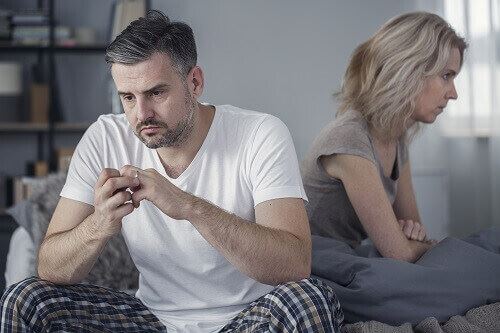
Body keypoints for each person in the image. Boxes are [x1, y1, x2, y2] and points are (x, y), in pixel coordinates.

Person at [0, 10, 343, 333]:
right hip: (151, 319)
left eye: (156, 92)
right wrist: (100, 223)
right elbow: (50, 267)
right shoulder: (105, 137)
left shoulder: (261, 134)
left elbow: (295, 264)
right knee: (26, 300)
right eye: (128, 98)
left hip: (248, 318)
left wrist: (189, 207)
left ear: (194, 83)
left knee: (309, 300)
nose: (141, 114)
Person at [301, 12, 467, 262]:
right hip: (318, 270)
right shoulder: (349, 138)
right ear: (408, 70)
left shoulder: (397, 139)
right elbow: (400, 253)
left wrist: (415, 241)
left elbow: (415, 236)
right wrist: (422, 245)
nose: (453, 94)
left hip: (348, 260)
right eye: (447, 76)